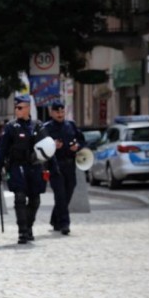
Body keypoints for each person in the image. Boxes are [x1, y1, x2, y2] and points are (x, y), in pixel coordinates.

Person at [0, 94, 54, 244]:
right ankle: (22, 231)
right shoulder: (11, 127)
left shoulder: (38, 125)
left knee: (35, 200)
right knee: (19, 198)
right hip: (17, 166)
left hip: (34, 167)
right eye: (16, 107)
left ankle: (29, 226)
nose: (17, 110)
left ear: (28, 108)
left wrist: (52, 167)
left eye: (20, 107)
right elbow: (3, 150)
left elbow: (47, 148)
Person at [42, 99, 85, 234]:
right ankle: (64, 224)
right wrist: (52, 146)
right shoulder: (47, 128)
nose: (60, 114)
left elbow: (82, 140)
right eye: (57, 112)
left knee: (68, 194)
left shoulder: (71, 125)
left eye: (62, 111)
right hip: (55, 166)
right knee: (60, 195)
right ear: (52, 113)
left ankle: (55, 219)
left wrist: (77, 146)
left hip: (70, 165)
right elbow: (41, 147)